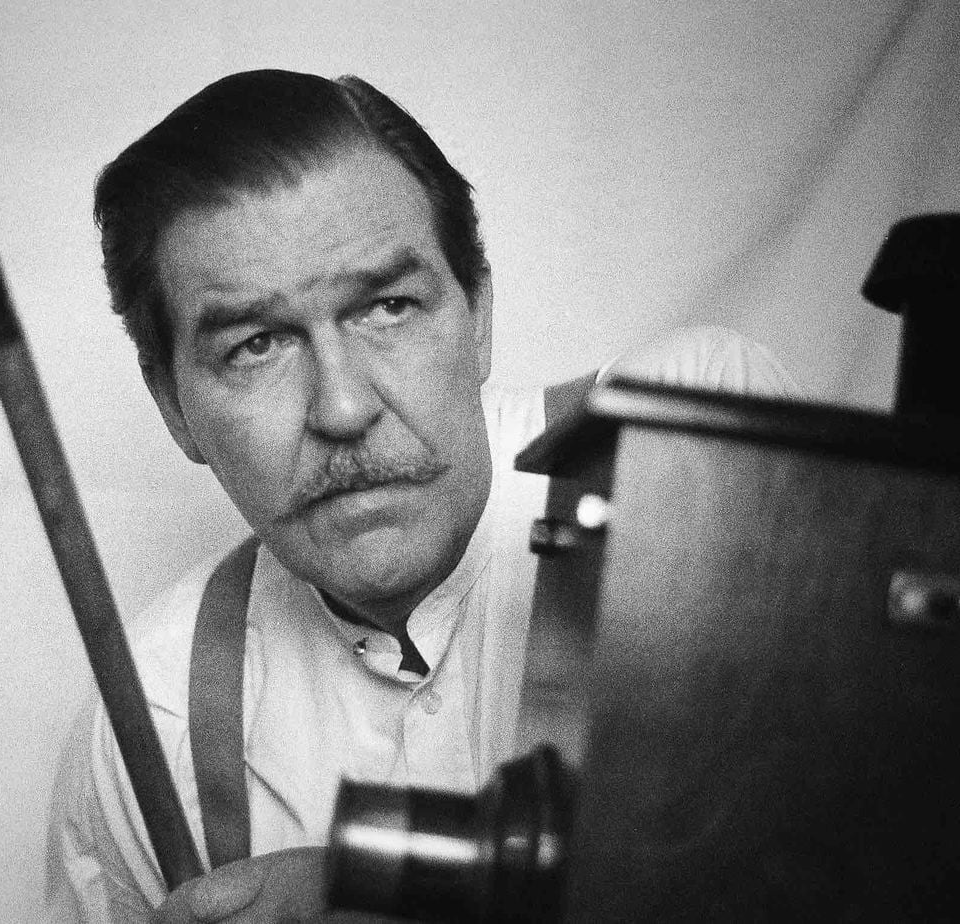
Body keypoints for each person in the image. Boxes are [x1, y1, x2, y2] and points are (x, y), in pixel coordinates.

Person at [45, 69, 794, 924]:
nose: (342, 408)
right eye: (256, 345)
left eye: (389, 307)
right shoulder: (155, 714)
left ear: (478, 314)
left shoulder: (684, 450)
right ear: (175, 409)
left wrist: (378, 884)